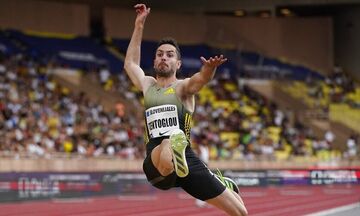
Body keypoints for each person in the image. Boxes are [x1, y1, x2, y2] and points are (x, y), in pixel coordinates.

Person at [124, 4, 248, 216]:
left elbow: (200, 81)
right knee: (167, 143)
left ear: (178, 63)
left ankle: (218, 179)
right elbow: (130, 64)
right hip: (157, 162)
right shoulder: (148, 85)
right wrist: (139, 24)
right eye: (160, 54)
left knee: (240, 212)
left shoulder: (182, 87)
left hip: (187, 162)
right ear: (154, 60)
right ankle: (174, 150)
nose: (164, 57)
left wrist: (209, 69)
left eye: (169, 55)